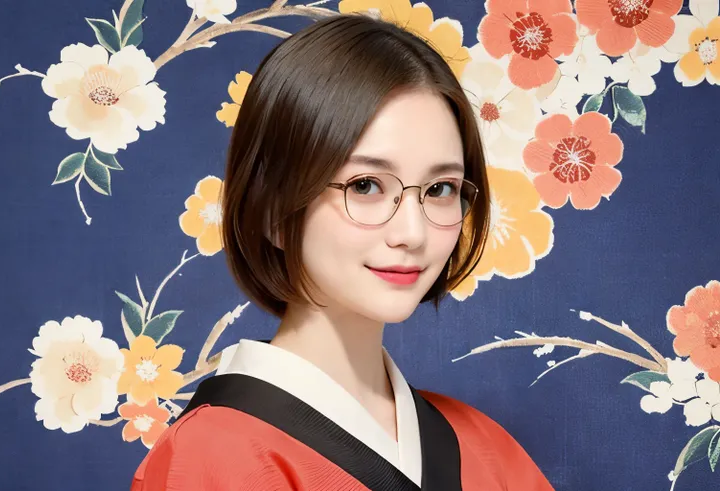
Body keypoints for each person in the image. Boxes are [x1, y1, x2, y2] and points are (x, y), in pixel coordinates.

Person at [131, 12, 553, 491]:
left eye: (440, 188)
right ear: (273, 208)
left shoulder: (484, 446)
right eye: (366, 184)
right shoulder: (209, 456)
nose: (412, 232)